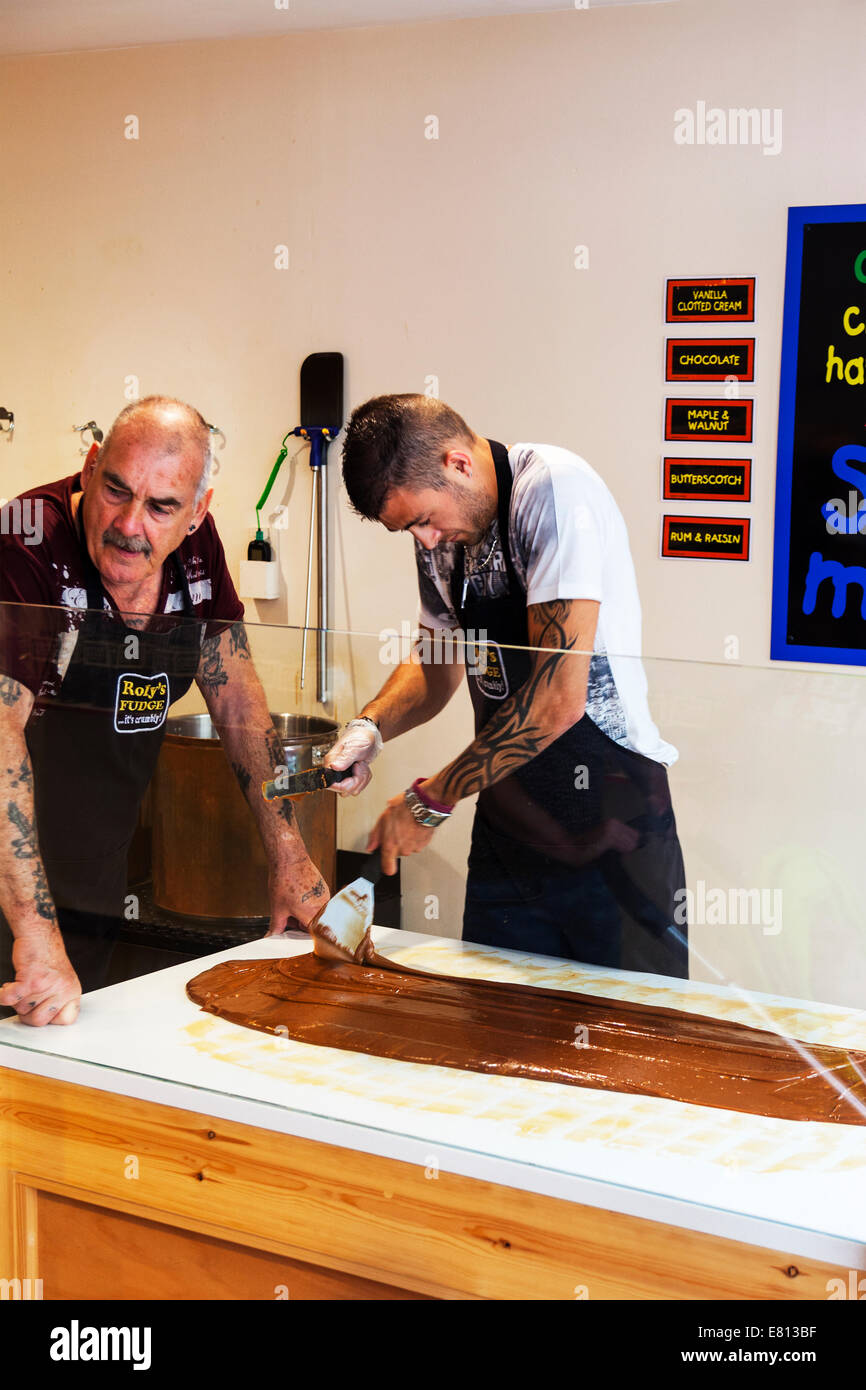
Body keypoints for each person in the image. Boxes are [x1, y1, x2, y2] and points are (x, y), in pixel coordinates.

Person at [326, 393, 688, 977]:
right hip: (510, 825)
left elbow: (558, 699)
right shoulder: (442, 539)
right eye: (407, 531)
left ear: (458, 464)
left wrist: (431, 797)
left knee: (639, 1041)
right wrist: (370, 727)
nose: (423, 542)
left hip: (615, 815)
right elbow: (436, 664)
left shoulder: (553, 491)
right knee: (494, 1035)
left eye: (421, 519)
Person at [0, 396, 329, 1027]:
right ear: (92, 465)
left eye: (161, 507)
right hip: (10, 887)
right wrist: (35, 933)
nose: (130, 524)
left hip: (93, 872)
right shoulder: (27, 540)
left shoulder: (198, 552)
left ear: (197, 511)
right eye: (116, 490)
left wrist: (288, 851)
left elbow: (235, 694)